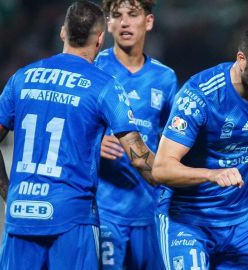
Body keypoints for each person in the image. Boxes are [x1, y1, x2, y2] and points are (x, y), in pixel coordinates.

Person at [0, 1, 156, 269]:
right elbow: (140, 159)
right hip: (73, 221)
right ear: (100, 39)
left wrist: (10, 195)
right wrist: (183, 181)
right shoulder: (104, 86)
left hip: (21, 215)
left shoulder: (23, 77)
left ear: (63, 32)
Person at [152, 24, 248, 269]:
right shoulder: (199, 97)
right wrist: (211, 174)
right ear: (241, 59)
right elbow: (162, 168)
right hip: (187, 221)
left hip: (238, 223)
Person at [94, 0, 178, 269]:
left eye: (133, 14)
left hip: (150, 210)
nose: (124, 22)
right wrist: (94, 143)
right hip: (105, 209)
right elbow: (72, 127)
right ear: (108, 24)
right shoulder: (95, 68)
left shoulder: (165, 78)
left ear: (149, 21)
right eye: (116, 15)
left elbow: (173, 142)